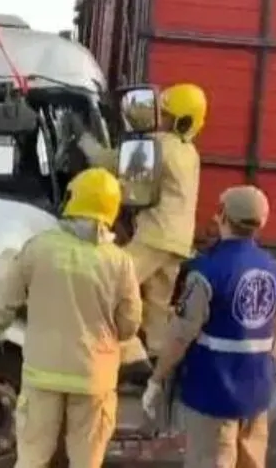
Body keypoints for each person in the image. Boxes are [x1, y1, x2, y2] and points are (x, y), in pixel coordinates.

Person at [0, 167, 142, 468]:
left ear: (73, 199)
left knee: (31, 459)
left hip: (43, 374)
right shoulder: (121, 263)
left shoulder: (39, 248)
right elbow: (129, 325)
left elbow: (5, 301)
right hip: (95, 378)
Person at [141, 185, 276, 468]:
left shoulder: (206, 271)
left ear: (221, 216)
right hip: (257, 396)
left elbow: (180, 335)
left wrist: (157, 379)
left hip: (213, 396)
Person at [79, 83, 206, 376]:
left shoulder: (160, 143)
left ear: (182, 121)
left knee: (111, 286)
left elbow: (110, 162)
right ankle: (160, 369)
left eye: (168, 116)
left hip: (155, 236)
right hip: (177, 241)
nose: (162, 120)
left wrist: (84, 140)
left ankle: (132, 357)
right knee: (157, 308)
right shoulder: (190, 153)